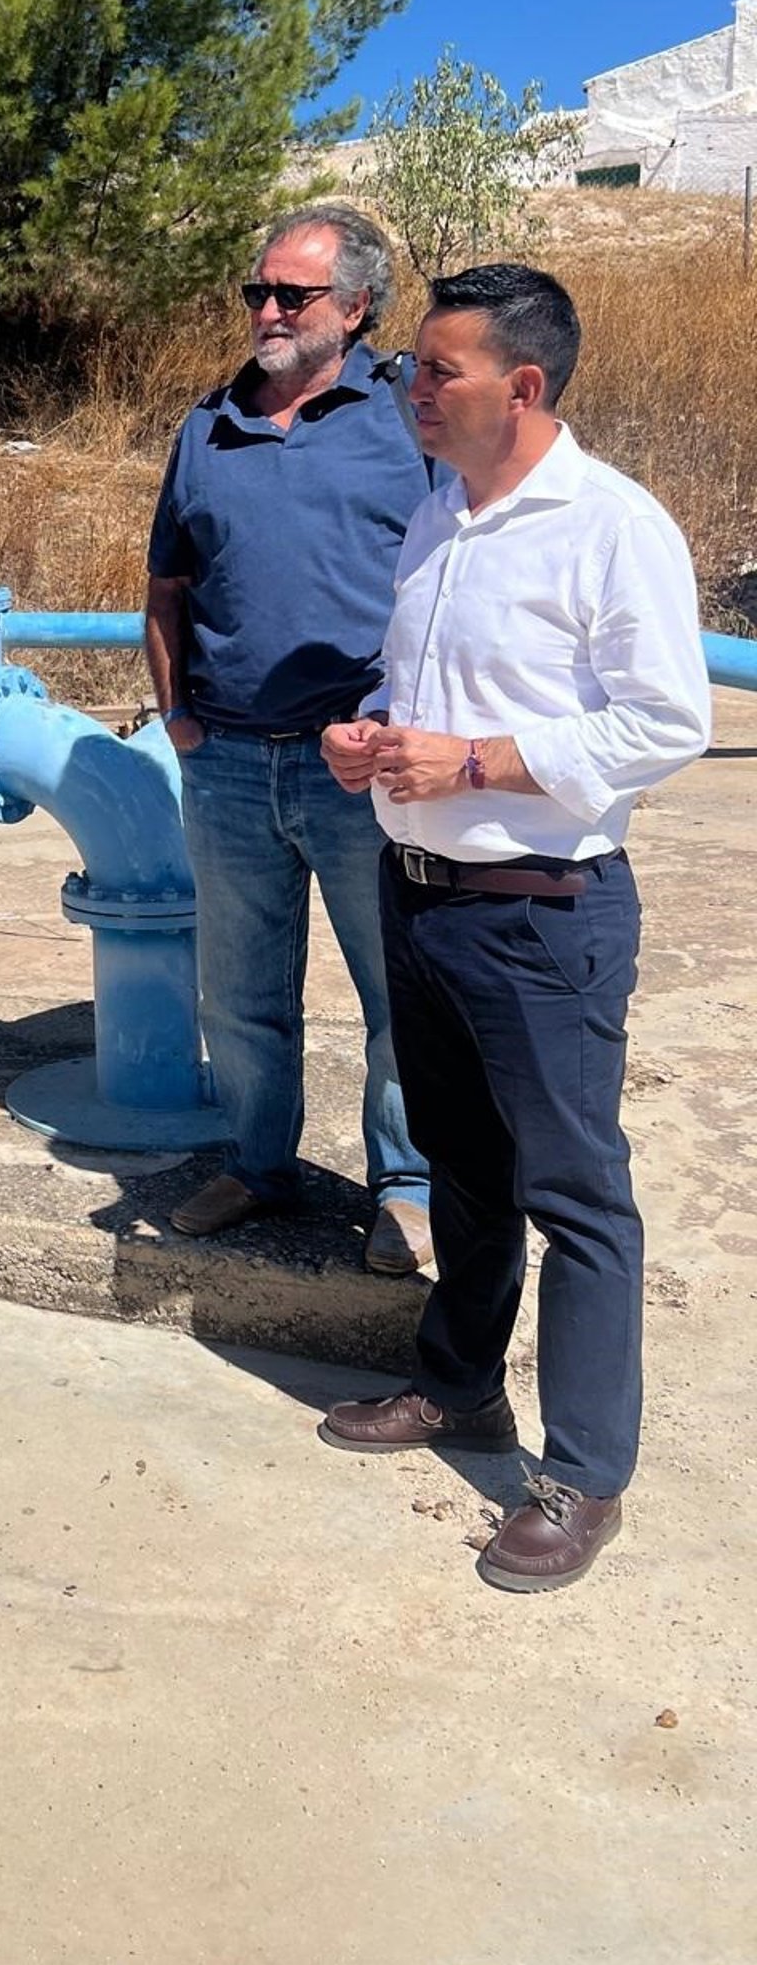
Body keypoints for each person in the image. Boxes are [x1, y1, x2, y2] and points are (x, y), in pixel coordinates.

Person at [318, 263, 709, 1590]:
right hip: (422, 897)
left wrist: (476, 763)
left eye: (437, 371)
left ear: (522, 386)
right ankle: (458, 1384)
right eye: (411, 368)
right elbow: (438, 689)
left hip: (542, 916)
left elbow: (667, 721)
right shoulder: (440, 513)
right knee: (464, 1169)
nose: (410, 389)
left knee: (575, 1198)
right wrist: (377, 735)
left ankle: (585, 1477)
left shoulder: (612, 526)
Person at [145, 202, 435, 1272]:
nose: (266, 310)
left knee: (397, 990)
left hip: (362, 766)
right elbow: (166, 586)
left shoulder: (408, 412)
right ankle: (260, 1165)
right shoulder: (207, 426)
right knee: (240, 995)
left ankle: (406, 1187)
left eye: (291, 295)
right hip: (226, 764)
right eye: (256, 292)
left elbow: (464, 574)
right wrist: (179, 720)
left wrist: (409, 722)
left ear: (355, 307)